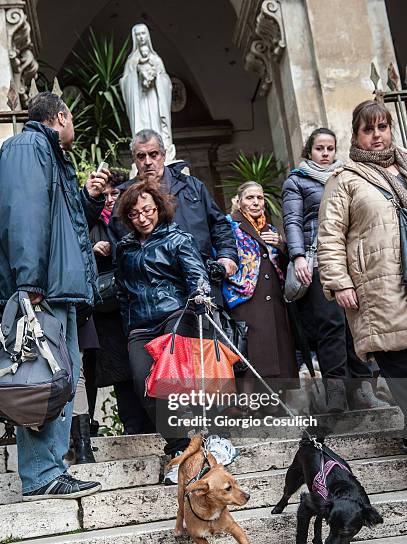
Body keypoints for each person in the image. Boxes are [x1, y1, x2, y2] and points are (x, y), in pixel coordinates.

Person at [0, 92, 109, 499]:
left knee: (57, 378)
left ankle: (48, 471)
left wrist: (91, 200)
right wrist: (29, 285)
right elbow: (23, 216)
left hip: (55, 289)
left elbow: (59, 221)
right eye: (73, 119)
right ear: (61, 116)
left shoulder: (44, 151)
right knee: (41, 380)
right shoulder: (29, 148)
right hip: (42, 290)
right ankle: (43, 474)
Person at [115, 179, 239, 485]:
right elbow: (121, 289)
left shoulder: (177, 238)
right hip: (139, 325)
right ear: (127, 217)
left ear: (158, 208)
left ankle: (216, 438)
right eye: (134, 213)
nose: (142, 218)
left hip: (176, 315)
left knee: (178, 382)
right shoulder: (124, 248)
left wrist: (200, 294)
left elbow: (197, 275)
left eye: (147, 210)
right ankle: (179, 450)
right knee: (146, 386)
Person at [318, 100, 407, 449]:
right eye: (368, 130)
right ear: (356, 135)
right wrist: (339, 282)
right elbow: (329, 235)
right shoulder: (345, 180)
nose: (377, 136)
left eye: (382, 127)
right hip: (380, 286)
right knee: (398, 363)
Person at [282, 127, 385, 413]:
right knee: (332, 326)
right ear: (309, 151)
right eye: (319, 148)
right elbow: (292, 221)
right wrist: (298, 256)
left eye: (330, 148)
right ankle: (337, 393)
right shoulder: (298, 181)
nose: (325, 154)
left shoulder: (346, 177)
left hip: (351, 262)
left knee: (357, 325)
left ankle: (364, 391)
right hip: (317, 262)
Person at [108, 129, 239, 298]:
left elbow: (219, 225)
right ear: (134, 159)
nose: (148, 162)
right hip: (152, 294)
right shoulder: (124, 197)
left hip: (201, 280)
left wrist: (227, 256)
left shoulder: (192, 186)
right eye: (141, 156)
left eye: (153, 154)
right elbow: (118, 247)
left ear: (163, 155)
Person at [84, 169, 155, 435]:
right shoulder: (89, 222)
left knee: (146, 367)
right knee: (122, 373)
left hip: (135, 306)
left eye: (116, 193)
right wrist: (92, 251)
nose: (111, 199)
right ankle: (133, 426)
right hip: (107, 312)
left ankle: (153, 425)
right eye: (105, 194)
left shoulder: (131, 220)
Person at [223, 181, 298, 396]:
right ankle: (249, 405)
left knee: (278, 353)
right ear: (238, 201)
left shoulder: (271, 229)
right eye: (250, 198)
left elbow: (284, 263)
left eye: (260, 198)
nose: (256, 202)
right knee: (253, 356)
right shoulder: (229, 225)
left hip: (274, 298)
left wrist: (281, 245)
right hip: (246, 300)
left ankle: (277, 403)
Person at [120, 24, 175, 159]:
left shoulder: (156, 59)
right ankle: (144, 150)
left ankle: (160, 149)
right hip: (140, 102)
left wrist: (157, 77)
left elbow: (167, 83)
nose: (141, 37)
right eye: (138, 34)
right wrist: (136, 74)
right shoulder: (131, 61)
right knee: (143, 126)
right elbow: (124, 83)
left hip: (155, 100)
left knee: (156, 126)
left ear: (147, 36)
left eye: (143, 33)